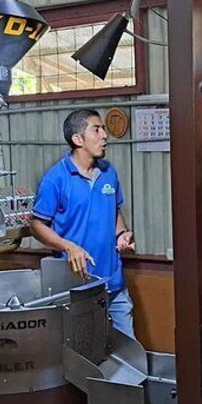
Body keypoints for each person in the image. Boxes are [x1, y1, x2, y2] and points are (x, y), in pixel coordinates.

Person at [30, 109, 137, 338]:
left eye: (104, 130)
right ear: (78, 139)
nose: (104, 136)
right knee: (86, 356)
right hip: (77, 288)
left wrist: (122, 235)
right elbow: (37, 226)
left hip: (114, 283)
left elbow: (115, 211)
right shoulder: (55, 179)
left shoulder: (110, 173)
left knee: (129, 354)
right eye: (96, 130)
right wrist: (68, 247)